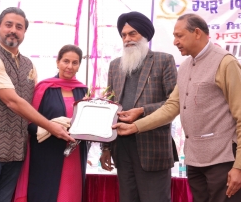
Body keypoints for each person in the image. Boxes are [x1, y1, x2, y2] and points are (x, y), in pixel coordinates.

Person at [113, 13, 241, 202]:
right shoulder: (187, 65)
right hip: (194, 160)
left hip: (223, 160)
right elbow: (172, 106)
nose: (175, 42)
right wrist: (134, 127)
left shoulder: (225, 62)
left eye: (179, 36)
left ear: (197, 33)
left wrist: (238, 166)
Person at [0, 7, 75, 202]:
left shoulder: (28, 65)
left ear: (24, 32)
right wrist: (50, 126)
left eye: (19, 27)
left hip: (15, 151)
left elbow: (34, 103)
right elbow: (13, 101)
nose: (13, 30)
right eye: (8, 25)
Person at [100, 11, 178, 202]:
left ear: (144, 35)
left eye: (132, 33)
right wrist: (106, 148)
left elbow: (174, 103)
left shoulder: (163, 60)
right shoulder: (115, 66)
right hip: (122, 148)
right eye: (124, 35)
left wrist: (142, 111)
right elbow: (109, 107)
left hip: (152, 148)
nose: (127, 39)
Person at [14, 44, 88, 202]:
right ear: (58, 62)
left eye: (75, 63)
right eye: (66, 61)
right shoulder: (44, 89)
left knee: (70, 195)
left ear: (79, 65)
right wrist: (51, 127)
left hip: (74, 154)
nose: (69, 66)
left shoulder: (84, 91)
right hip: (46, 155)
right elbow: (29, 122)